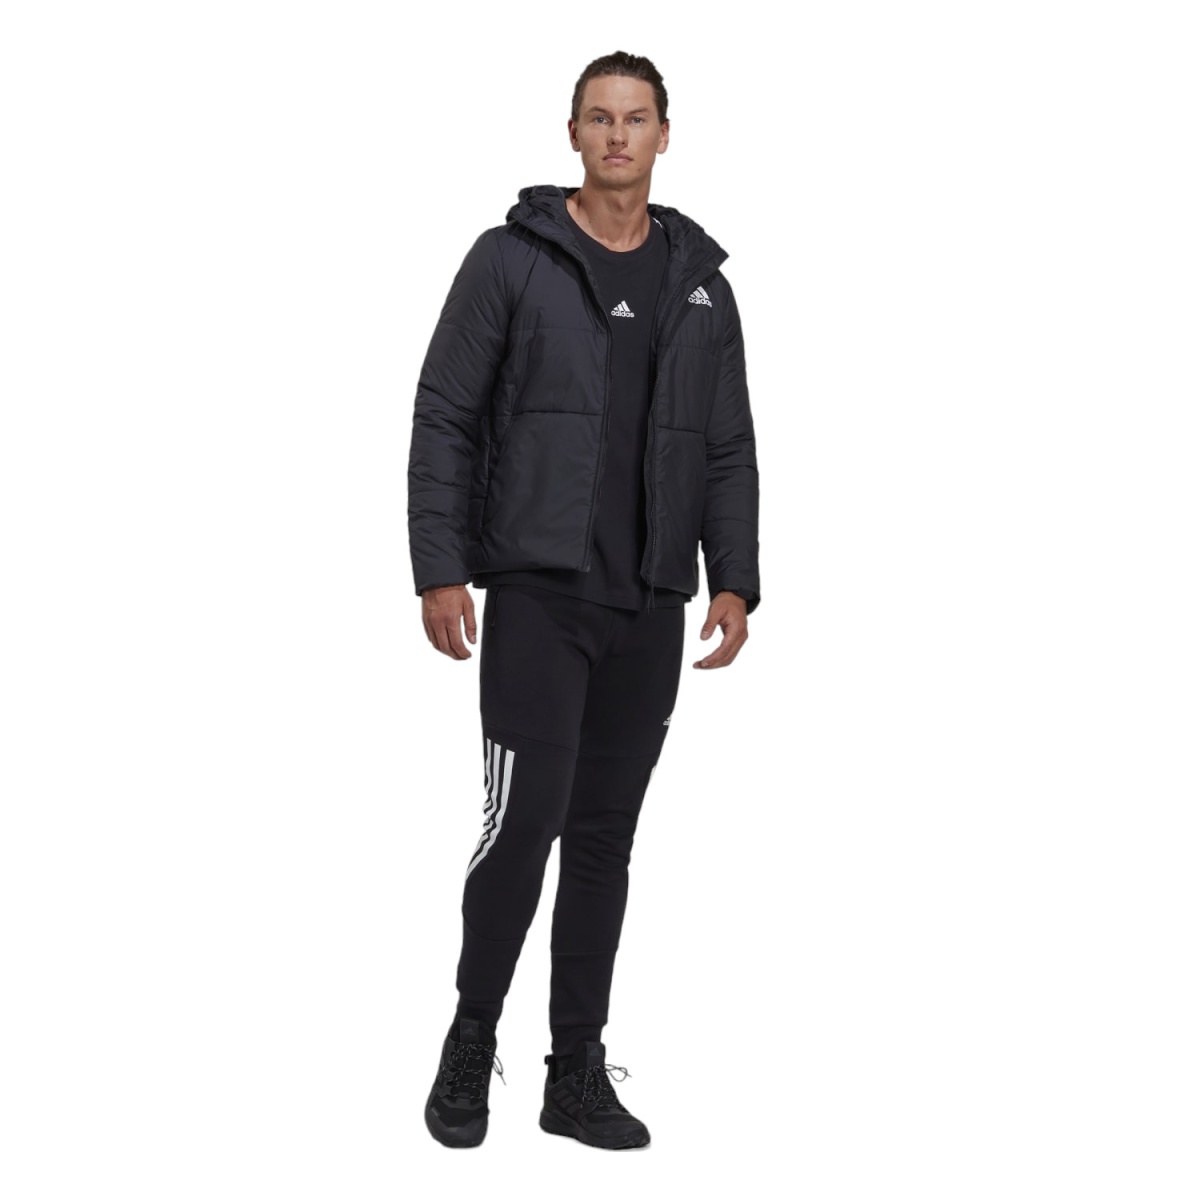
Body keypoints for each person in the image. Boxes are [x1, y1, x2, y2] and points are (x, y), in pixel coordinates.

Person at [408, 50, 761, 1151]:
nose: (617, 136)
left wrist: (734, 577)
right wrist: (439, 565)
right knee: (523, 826)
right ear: (573, 134)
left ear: (665, 135)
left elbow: (726, 444)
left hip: (648, 600)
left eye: (636, 119)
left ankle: (574, 1071)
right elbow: (445, 411)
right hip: (537, 593)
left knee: (604, 840)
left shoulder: (701, 285)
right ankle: (472, 1036)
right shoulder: (511, 259)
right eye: (599, 118)